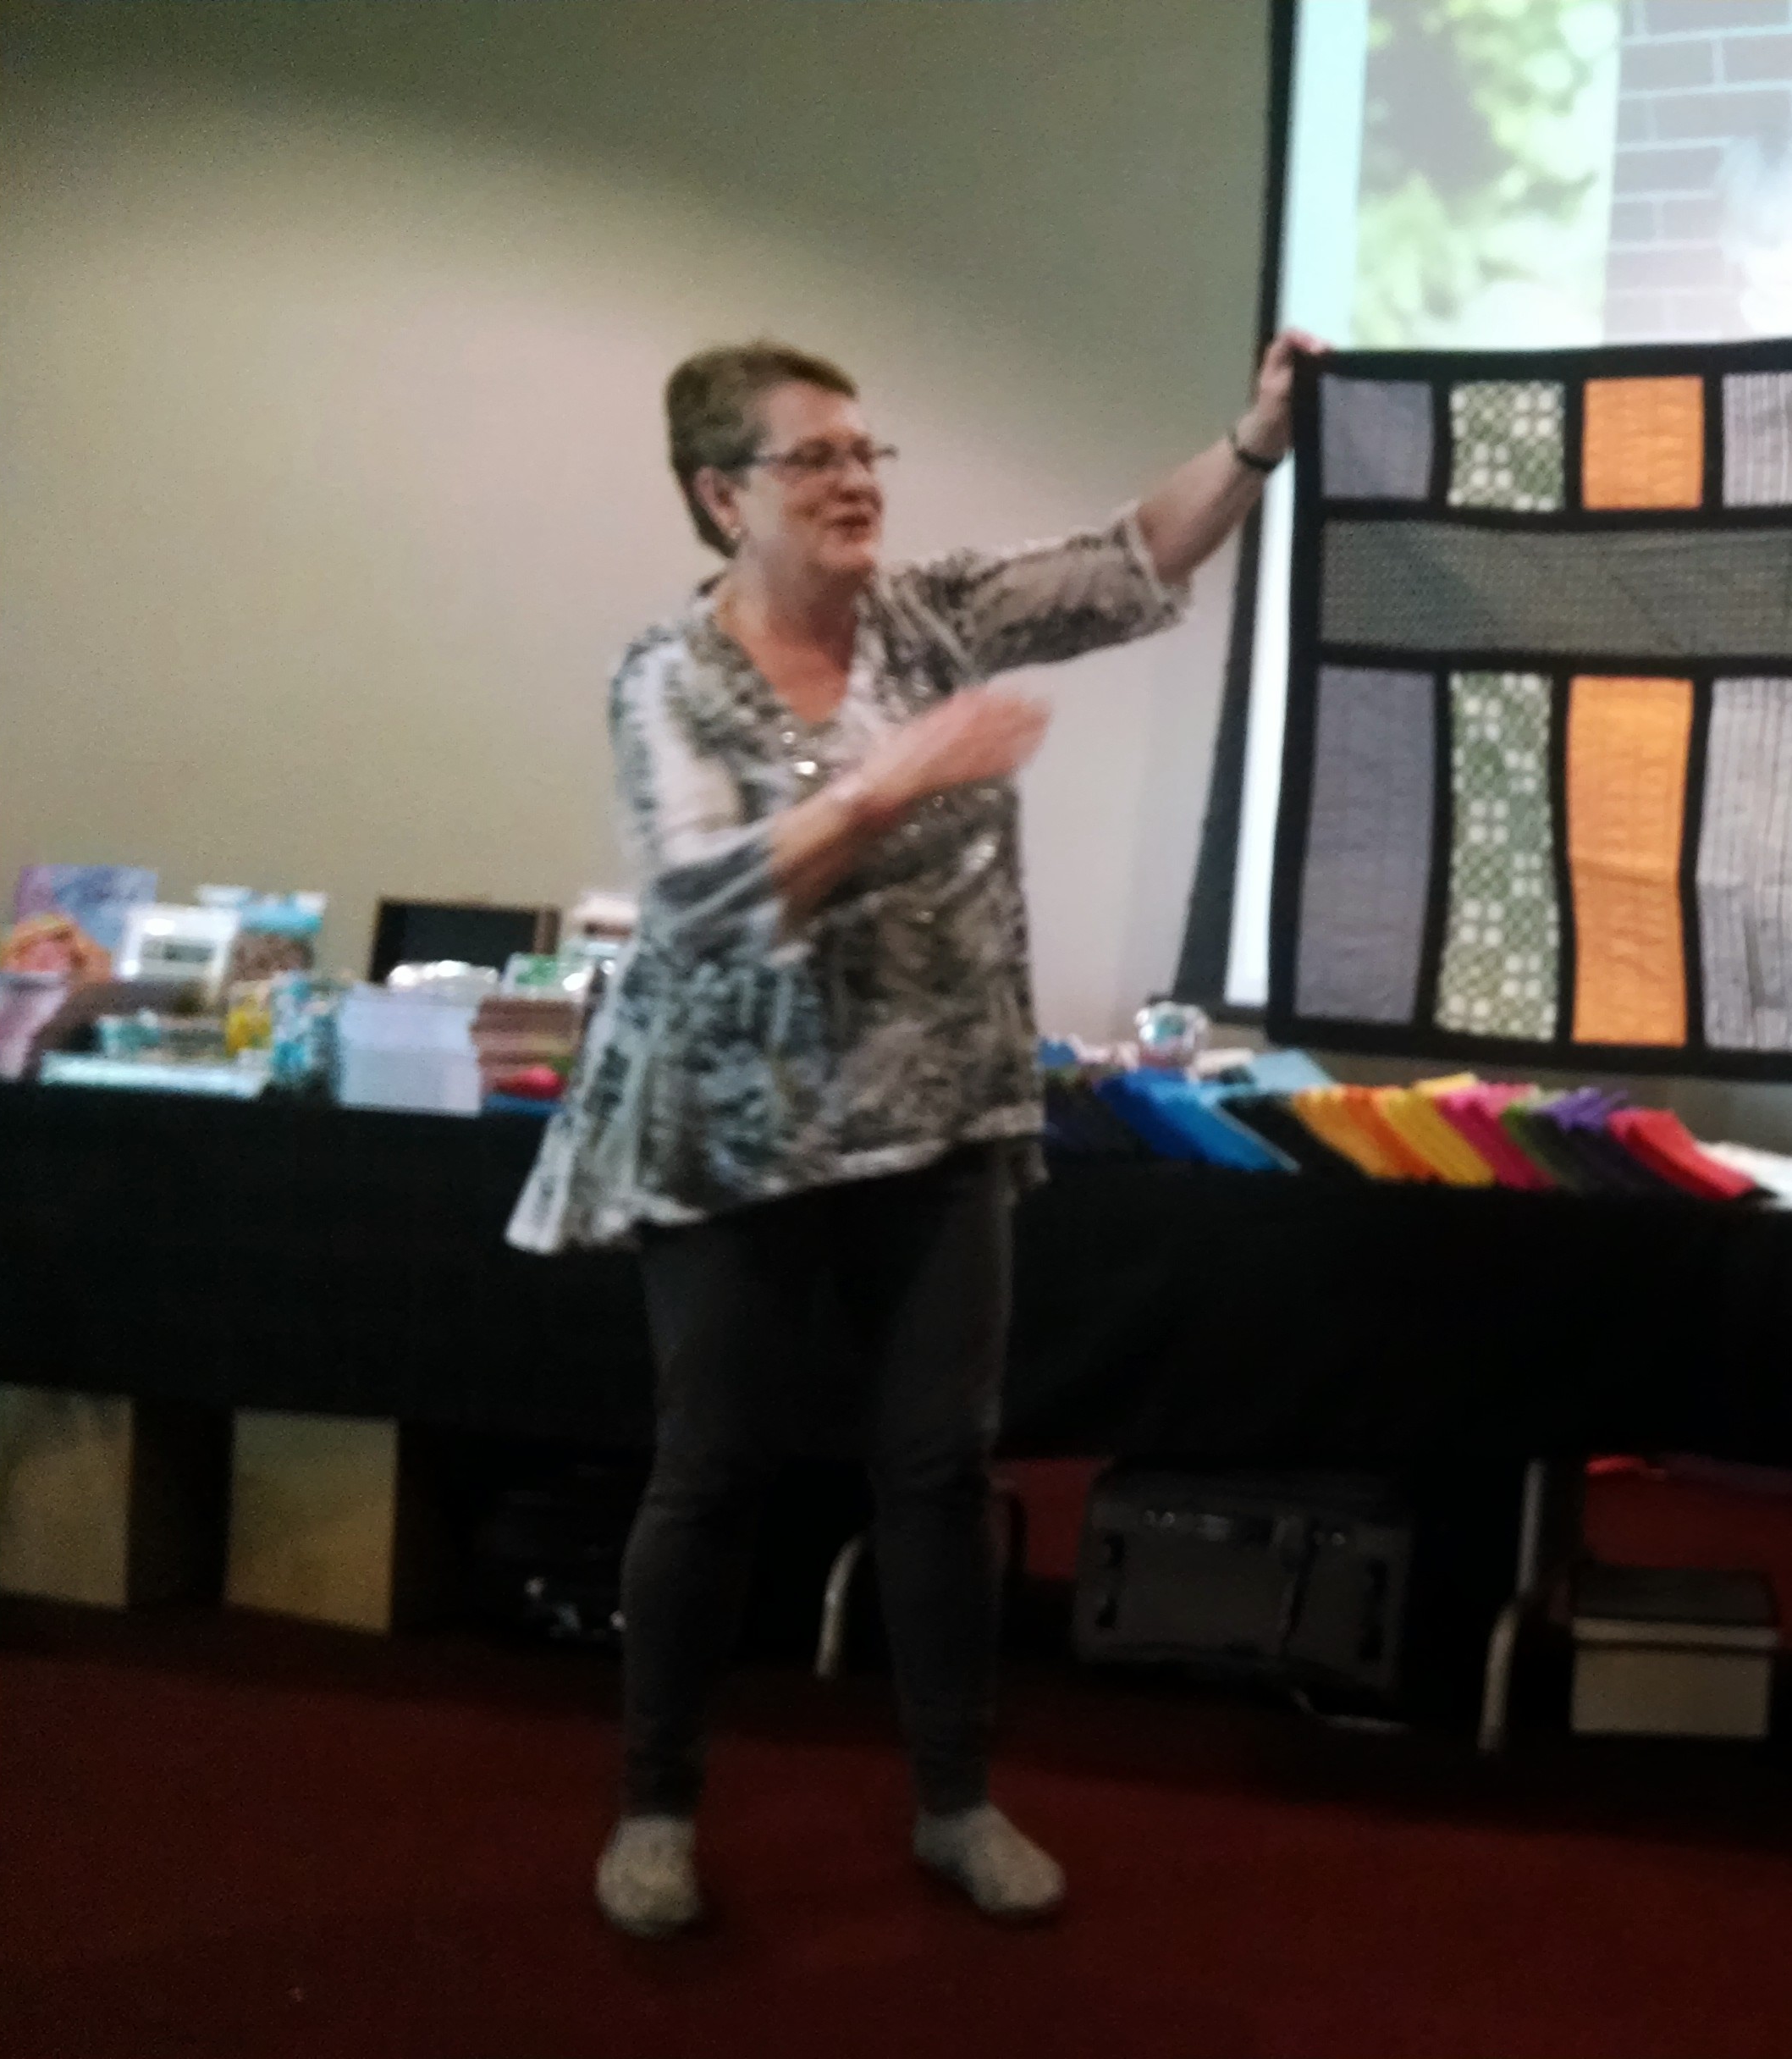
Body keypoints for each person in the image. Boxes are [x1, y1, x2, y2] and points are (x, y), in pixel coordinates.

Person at [508, 325, 1323, 1938]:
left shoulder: (932, 616)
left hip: (942, 1118)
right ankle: (656, 1810)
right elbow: (706, 909)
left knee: (940, 1471)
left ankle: (957, 1802)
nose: (855, 482)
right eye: (813, 458)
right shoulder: (671, 679)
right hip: (736, 1135)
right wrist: (893, 780)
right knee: (712, 1473)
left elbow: (1129, 562)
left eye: (865, 452)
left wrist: (1255, 443)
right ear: (721, 495)